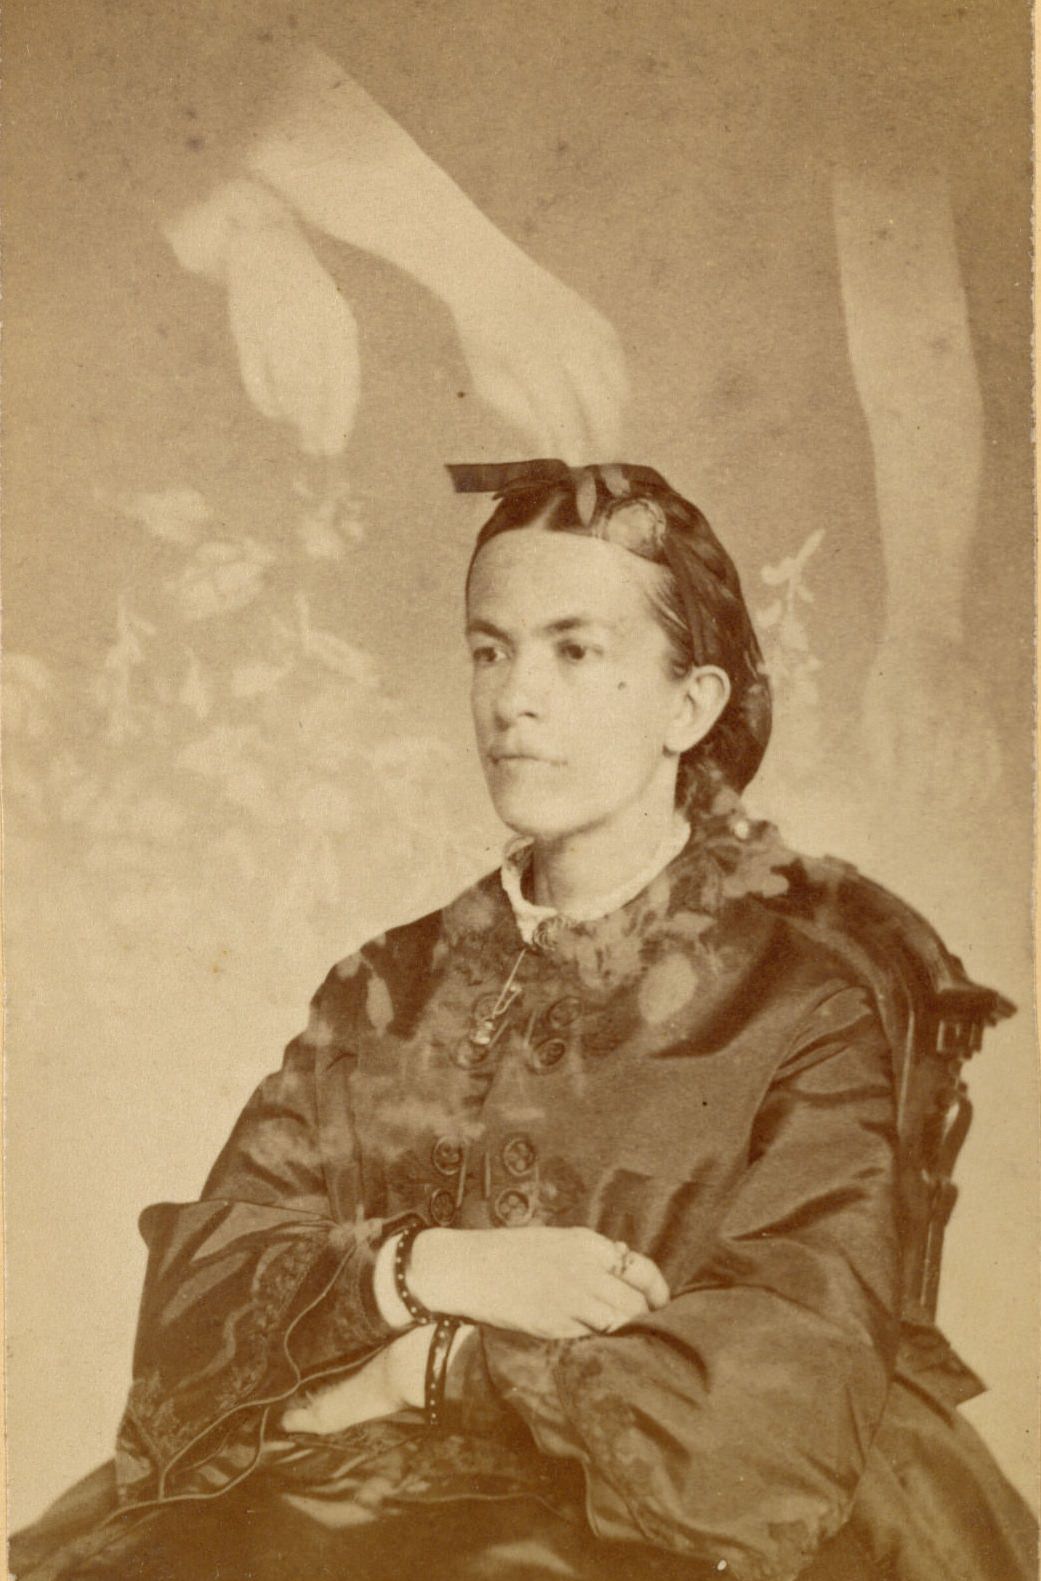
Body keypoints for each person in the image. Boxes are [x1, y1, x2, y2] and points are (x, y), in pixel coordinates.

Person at [11, 461, 1035, 1581]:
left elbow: (787, 1363)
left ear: (688, 706)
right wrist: (430, 1269)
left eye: (574, 650)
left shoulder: (807, 998)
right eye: (488, 650)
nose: (513, 699)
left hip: (669, 1522)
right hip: (360, 1487)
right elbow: (203, 1290)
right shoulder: (385, 986)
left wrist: (432, 1372)